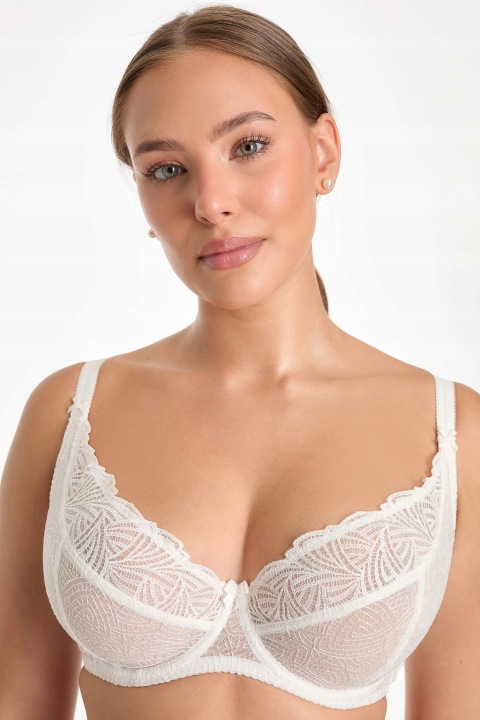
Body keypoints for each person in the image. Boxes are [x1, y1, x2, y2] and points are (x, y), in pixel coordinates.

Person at [0, 4, 479, 719]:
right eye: (166, 168)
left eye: (248, 146)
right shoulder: (71, 412)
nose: (210, 202)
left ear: (324, 154)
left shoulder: (453, 433)